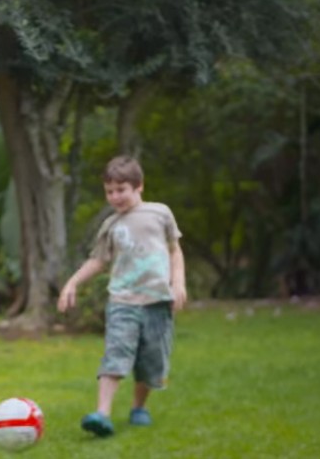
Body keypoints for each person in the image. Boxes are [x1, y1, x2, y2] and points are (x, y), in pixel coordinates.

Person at [57, 155, 186, 437]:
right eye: (109, 191)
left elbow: (175, 250)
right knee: (115, 354)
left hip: (158, 301)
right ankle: (102, 414)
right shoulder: (110, 226)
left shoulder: (160, 213)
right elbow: (98, 260)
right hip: (122, 301)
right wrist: (72, 283)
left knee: (152, 362)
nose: (115, 197)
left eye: (121, 190)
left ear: (139, 186)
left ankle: (139, 407)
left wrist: (179, 282)